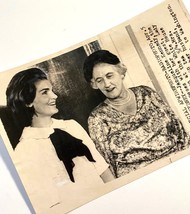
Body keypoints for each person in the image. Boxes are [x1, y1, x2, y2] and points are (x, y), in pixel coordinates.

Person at [6, 67, 114, 214]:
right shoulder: (24, 151)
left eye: (52, 90)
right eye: (45, 92)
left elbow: (104, 172)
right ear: (27, 102)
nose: (54, 96)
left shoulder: (72, 126)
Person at [83, 49, 190, 178]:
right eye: (99, 80)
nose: (107, 84)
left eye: (109, 76)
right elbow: (107, 164)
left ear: (121, 72)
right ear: (94, 85)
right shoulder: (97, 118)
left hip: (177, 164)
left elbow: (178, 131)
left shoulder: (146, 92)